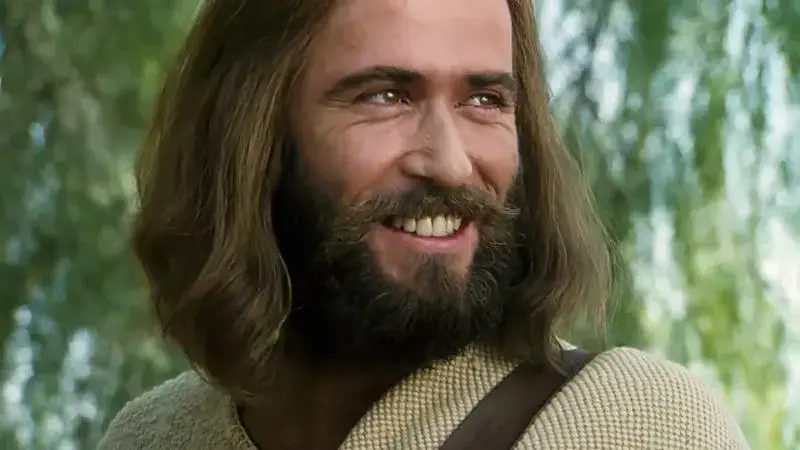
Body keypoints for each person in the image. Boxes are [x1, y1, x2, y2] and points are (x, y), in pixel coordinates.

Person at [98, 0, 749, 448]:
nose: (451, 162)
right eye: (385, 95)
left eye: (484, 100)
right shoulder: (150, 437)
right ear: (252, 135)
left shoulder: (641, 427)